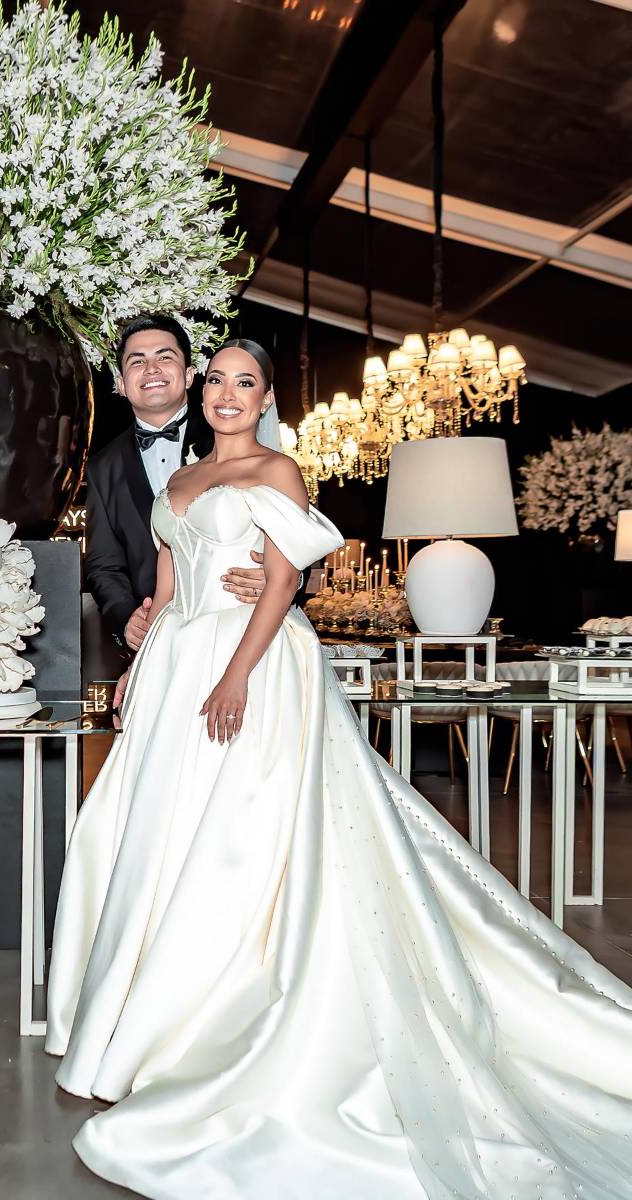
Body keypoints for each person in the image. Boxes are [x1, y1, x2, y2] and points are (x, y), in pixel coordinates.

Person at [46, 339, 632, 1199]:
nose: (227, 394)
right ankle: (148, 1022)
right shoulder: (176, 485)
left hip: (252, 666)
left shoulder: (280, 473)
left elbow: (282, 583)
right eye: (217, 381)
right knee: (158, 834)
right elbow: (167, 589)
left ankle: (225, 1011)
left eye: (246, 383)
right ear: (202, 395)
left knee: (246, 834)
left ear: (266, 397)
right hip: (176, 666)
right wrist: (139, 665)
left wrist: (237, 673)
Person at [85, 314, 268, 652]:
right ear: (121, 384)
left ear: (188, 376)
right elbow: (103, 565)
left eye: (164, 357)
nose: (151, 368)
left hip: (238, 623)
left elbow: (294, 526)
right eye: (137, 361)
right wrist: (127, 620)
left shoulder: (234, 433)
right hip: (160, 639)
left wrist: (280, 578)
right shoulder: (101, 466)